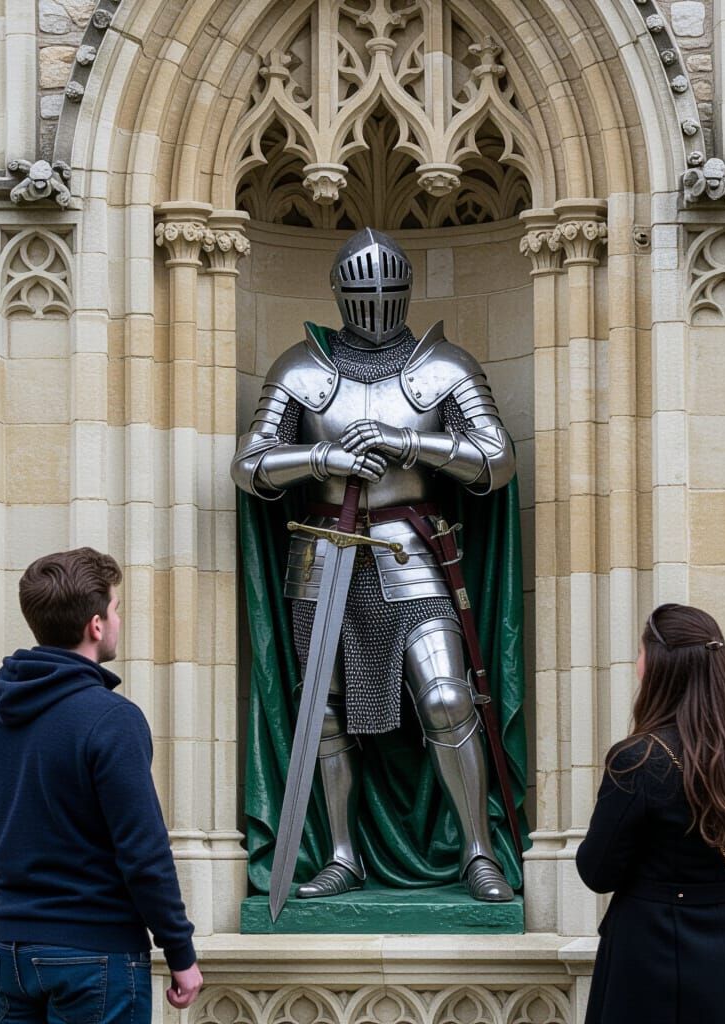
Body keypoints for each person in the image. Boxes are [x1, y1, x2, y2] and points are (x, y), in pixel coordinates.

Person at [231, 227, 526, 902]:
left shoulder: (444, 367)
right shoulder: (300, 371)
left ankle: (478, 851)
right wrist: (320, 459)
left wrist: (411, 441)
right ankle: (342, 852)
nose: (374, 301)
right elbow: (248, 465)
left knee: (449, 699)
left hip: (409, 552)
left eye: (386, 288)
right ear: (338, 294)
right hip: (323, 553)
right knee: (324, 716)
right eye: (361, 290)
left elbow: (497, 458)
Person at [0, 547, 203, 1023]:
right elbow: (143, 853)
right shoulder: (112, 719)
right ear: (95, 625)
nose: (117, 620)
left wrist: (25, 915)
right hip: (96, 957)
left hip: (10, 953)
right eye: (116, 609)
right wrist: (180, 953)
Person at [577, 603, 725, 1024]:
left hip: (650, 958)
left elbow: (598, 873)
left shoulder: (638, 759)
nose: (637, 665)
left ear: (658, 666)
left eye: (641, 653)